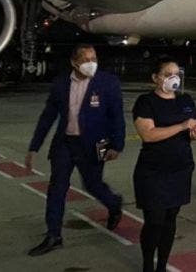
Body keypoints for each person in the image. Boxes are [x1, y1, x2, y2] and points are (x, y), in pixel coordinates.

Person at [26, 43, 126, 256]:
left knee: (93, 184)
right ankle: (54, 235)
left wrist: (117, 145)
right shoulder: (61, 83)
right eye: (86, 60)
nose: (92, 64)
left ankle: (114, 204)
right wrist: (34, 146)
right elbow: (48, 116)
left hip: (97, 144)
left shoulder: (108, 83)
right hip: (65, 143)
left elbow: (116, 116)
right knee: (57, 188)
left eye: (94, 59)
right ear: (74, 62)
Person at [132, 56, 196, 272]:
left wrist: (195, 134)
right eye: (167, 74)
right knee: (154, 220)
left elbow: (193, 132)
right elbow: (149, 135)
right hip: (153, 171)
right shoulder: (146, 102)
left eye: (176, 74)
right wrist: (181, 126)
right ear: (155, 78)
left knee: (170, 220)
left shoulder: (186, 100)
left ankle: (162, 265)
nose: (173, 78)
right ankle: (147, 265)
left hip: (180, 168)